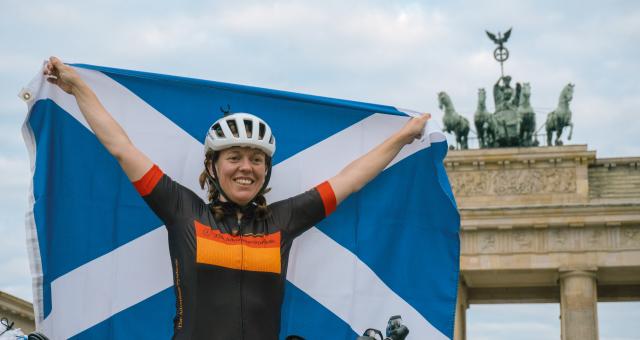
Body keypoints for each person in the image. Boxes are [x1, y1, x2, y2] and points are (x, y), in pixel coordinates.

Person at [43, 57, 431, 340]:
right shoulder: (183, 210)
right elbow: (122, 148)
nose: (246, 167)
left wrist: (401, 137)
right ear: (213, 167)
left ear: (266, 170)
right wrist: (79, 88)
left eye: (256, 159)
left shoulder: (283, 220)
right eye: (234, 157)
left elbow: (350, 179)